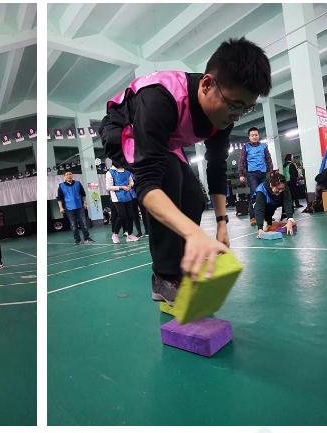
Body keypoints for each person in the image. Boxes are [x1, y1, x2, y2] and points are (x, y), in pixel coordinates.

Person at [99, 38, 272, 306]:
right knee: (167, 173)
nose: (237, 116)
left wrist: (222, 223)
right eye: (235, 106)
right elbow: (146, 184)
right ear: (207, 84)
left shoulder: (223, 116)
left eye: (246, 108)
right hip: (124, 128)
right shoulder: (160, 98)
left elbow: (216, 167)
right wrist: (194, 234)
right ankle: (164, 277)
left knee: (193, 195)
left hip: (167, 140)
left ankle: (180, 265)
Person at [238, 127, 273, 225]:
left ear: (258, 135)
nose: (254, 137)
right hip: (251, 175)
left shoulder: (264, 146)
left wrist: (271, 172)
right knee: (255, 194)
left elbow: (268, 159)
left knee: (264, 194)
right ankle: (253, 217)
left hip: (263, 173)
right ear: (249, 137)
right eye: (252, 135)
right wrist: (241, 174)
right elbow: (241, 161)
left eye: (256, 135)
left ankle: (265, 216)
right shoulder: (245, 147)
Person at [57, 170, 94, 245]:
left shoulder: (78, 183)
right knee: (73, 225)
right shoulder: (61, 186)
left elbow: (83, 194)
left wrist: (85, 203)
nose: (69, 175)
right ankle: (77, 240)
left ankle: (87, 238)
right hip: (69, 208)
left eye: (70, 174)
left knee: (83, 223)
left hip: (80, 206)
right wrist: (61, 207)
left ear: (72, 175)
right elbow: (59, 198)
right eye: (67, 174)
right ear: (64, 177)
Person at [254, 172, 295, 236]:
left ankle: (284, 218)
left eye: (282, 188)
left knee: (287, 199)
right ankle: (266, 221)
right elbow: (259, 209)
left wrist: (290, 219)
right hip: (265, 205)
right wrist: (260, 228)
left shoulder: (284, 187)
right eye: (279, 189)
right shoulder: (261, 190)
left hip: (276, 202)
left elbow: (288, 202)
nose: (281, 191)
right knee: (265, 226)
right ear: (271, 185)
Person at [106, 164, 139, 244]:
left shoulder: (127, 172)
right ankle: (115, 234)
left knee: (130, 216)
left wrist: (130, 185)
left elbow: (131, 181)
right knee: (122, 215)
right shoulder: (110, 172)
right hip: (117, 197)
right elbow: (108, 187)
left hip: (127, 196)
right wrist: (121, 187)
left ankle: (130, 235)